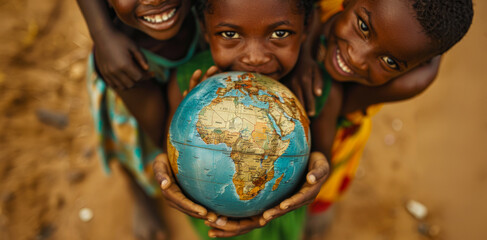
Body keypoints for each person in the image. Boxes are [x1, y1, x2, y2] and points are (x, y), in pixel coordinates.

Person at [152, 0, 473, 238]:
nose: (356, 58)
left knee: (320, 200)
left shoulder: (333, 90)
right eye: (362, 27)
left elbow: (323, 153)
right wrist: (304, 53)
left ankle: (318, 219)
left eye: (390, 60)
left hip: (334, 137)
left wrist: (317, 174)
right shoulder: (300, 25)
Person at [77, 0, 207, 238]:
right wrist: (102, 34)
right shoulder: (121, 62)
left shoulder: (208, 17)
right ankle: (139, 192)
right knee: (130, 149)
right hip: (127, 90)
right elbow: (163, 141)